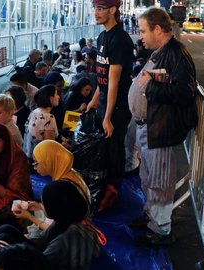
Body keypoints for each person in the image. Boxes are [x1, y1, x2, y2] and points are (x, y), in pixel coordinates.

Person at [127, 7, 197, 246]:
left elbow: (184, 92)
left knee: (159, 182)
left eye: (143, 31)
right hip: (149, 128)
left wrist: (148, 87)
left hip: (160, 129)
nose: (141, 36)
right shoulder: (162, 51)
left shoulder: (176, 53)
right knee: (148, 178)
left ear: (158, 29)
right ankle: (151, 216)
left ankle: (161, 229)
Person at [86, 0, 134, 211]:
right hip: (104, 104)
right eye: (95, 8)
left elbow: (114, 80)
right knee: (103, 150)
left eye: (100, 8)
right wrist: (94, 100)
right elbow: (102, 76)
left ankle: (113, 191)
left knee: (115, 150)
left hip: (117, 108)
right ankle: (102, 188)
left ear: (113, 10)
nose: (96, 13)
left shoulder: (121, 40)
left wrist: (107, 116)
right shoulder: (102, 36)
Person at [23, 85, 60, 158]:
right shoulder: (48, 117)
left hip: (29, 154)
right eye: (56, 94)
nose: (58, 97)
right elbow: (49, 146)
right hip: (41, 158)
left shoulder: (34, 112)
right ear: (50, 98)